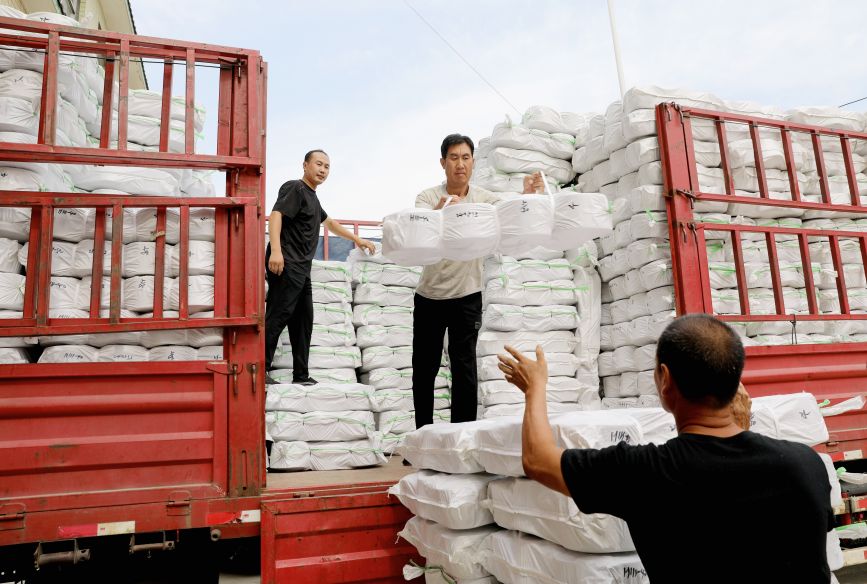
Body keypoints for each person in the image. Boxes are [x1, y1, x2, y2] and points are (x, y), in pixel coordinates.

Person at [497, 314, 833, 583]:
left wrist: (535, 388)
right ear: (735, 382)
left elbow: (538, 460)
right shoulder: (806, 464)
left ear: (665, 379)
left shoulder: (648, 473)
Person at [412, 133, 545, 429]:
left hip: (467, 296)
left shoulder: (484, 199)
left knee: (464, 369)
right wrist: (443, 211)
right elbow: (421, 228)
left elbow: (509, 217)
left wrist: (525, 196)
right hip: (429, 297)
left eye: (466, 158)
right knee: (425, 369)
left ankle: (462, 435)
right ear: (443, 163)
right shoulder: (427, 197)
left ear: (473, 162)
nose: (460, 164)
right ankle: (423, 437)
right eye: (454, 158)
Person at [265, 149, 375, 385]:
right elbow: (276, 216)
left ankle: (301, 375)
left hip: (302, 269)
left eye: (327, 166)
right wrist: (276, 250)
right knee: (278, 315)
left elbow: (330, 223)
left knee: (303, 320)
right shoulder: (295, 188)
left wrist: (357, 239)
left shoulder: (313, 198)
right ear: (305, 165)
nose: (323, 170)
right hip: (287, 263)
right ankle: (260, 369)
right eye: (318, 164)